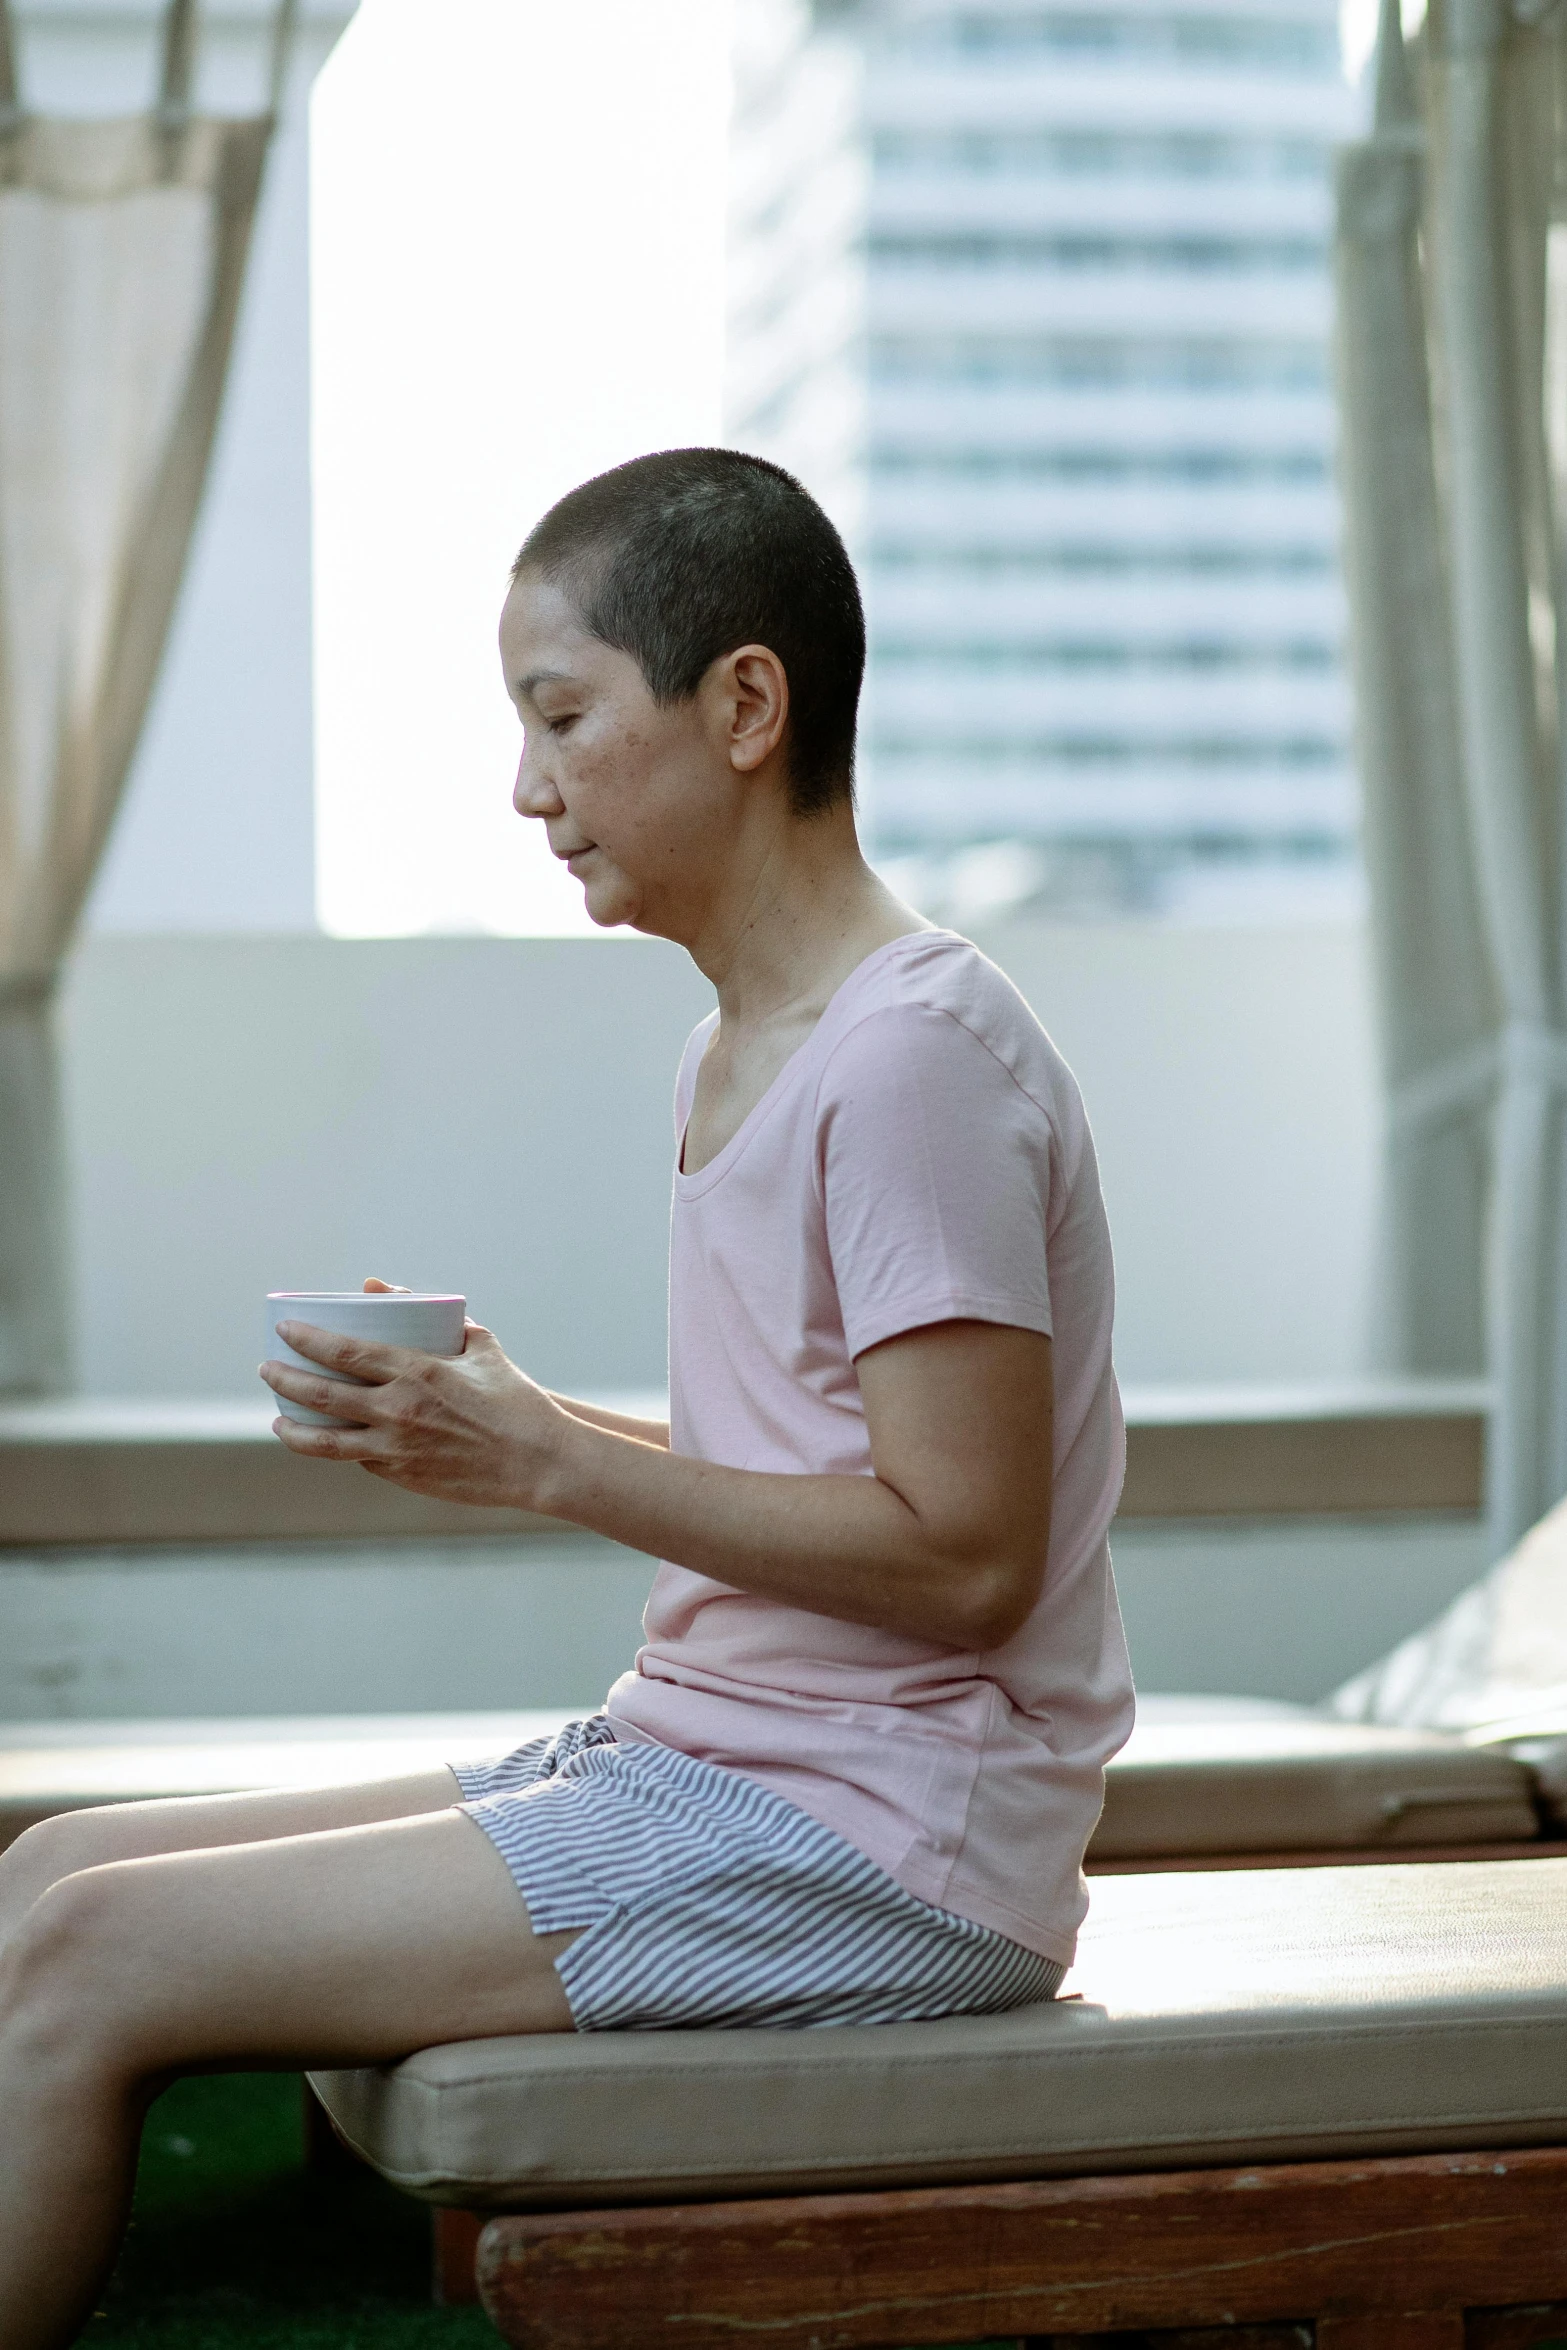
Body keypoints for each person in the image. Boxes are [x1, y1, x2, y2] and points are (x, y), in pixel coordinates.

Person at [0, 447, 1134, 2348]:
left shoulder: (918, 1055)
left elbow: (964, 1559)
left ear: (744, 705)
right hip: (722, 1756)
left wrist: (544, 1467)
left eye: (561, 716)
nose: (528, 787)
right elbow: (829, 1483)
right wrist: (512, 1414)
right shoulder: (741, 1041)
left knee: (90, 1952)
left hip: (883, 1832)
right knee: (52, 1862)